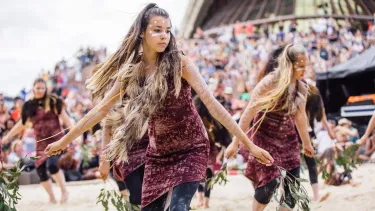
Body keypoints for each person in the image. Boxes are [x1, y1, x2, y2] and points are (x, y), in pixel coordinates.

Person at [44, 4, 273, 211]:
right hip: (158, 154)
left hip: (191, 148)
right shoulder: (131, 72)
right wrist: (64, 141)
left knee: (178, 208)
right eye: (157, 29)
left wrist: (249, 145)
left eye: (167, 30)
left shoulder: (180, 63)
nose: (164, 35)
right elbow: (100, 111)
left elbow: (213, 105)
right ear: (142, 32)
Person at [226, 44, 315, 211]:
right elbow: (248, 114)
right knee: (269, 184)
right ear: (289, 64)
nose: (305, 69)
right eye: (300, 66)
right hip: (264, 139)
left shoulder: (302, 86)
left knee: (292, 187)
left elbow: (300, 117)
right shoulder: (268, 83)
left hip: (288, 141)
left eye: (306, 65)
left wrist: (307, 143)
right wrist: (235, 143)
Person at [2, 78, 72, 204]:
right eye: (38, 88)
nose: (40, 90)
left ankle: (64, 191)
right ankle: (51, 197)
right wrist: (7, 137)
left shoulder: (53, 102)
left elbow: (65, 119)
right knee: (40, 171)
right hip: (40, 143)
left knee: (52, 165)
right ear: (33, 88)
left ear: (46, 89)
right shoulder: (29, 105)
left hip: (57, 140)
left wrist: (73, 134)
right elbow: (21, 124)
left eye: (42, 88)